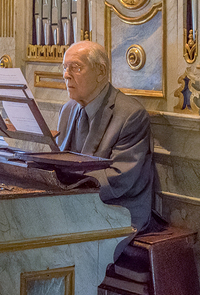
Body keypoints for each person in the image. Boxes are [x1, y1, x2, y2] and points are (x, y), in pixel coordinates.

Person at [57, 40, 159, 256]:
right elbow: (58, 159)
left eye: (75, 68)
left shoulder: (131, 114)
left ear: (101, 71)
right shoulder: (67, 109)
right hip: (74, 204)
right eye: (65, 68)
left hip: (118, 210)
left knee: (62, 247)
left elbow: (119, 178)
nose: (66, 75)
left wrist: (66, 190)